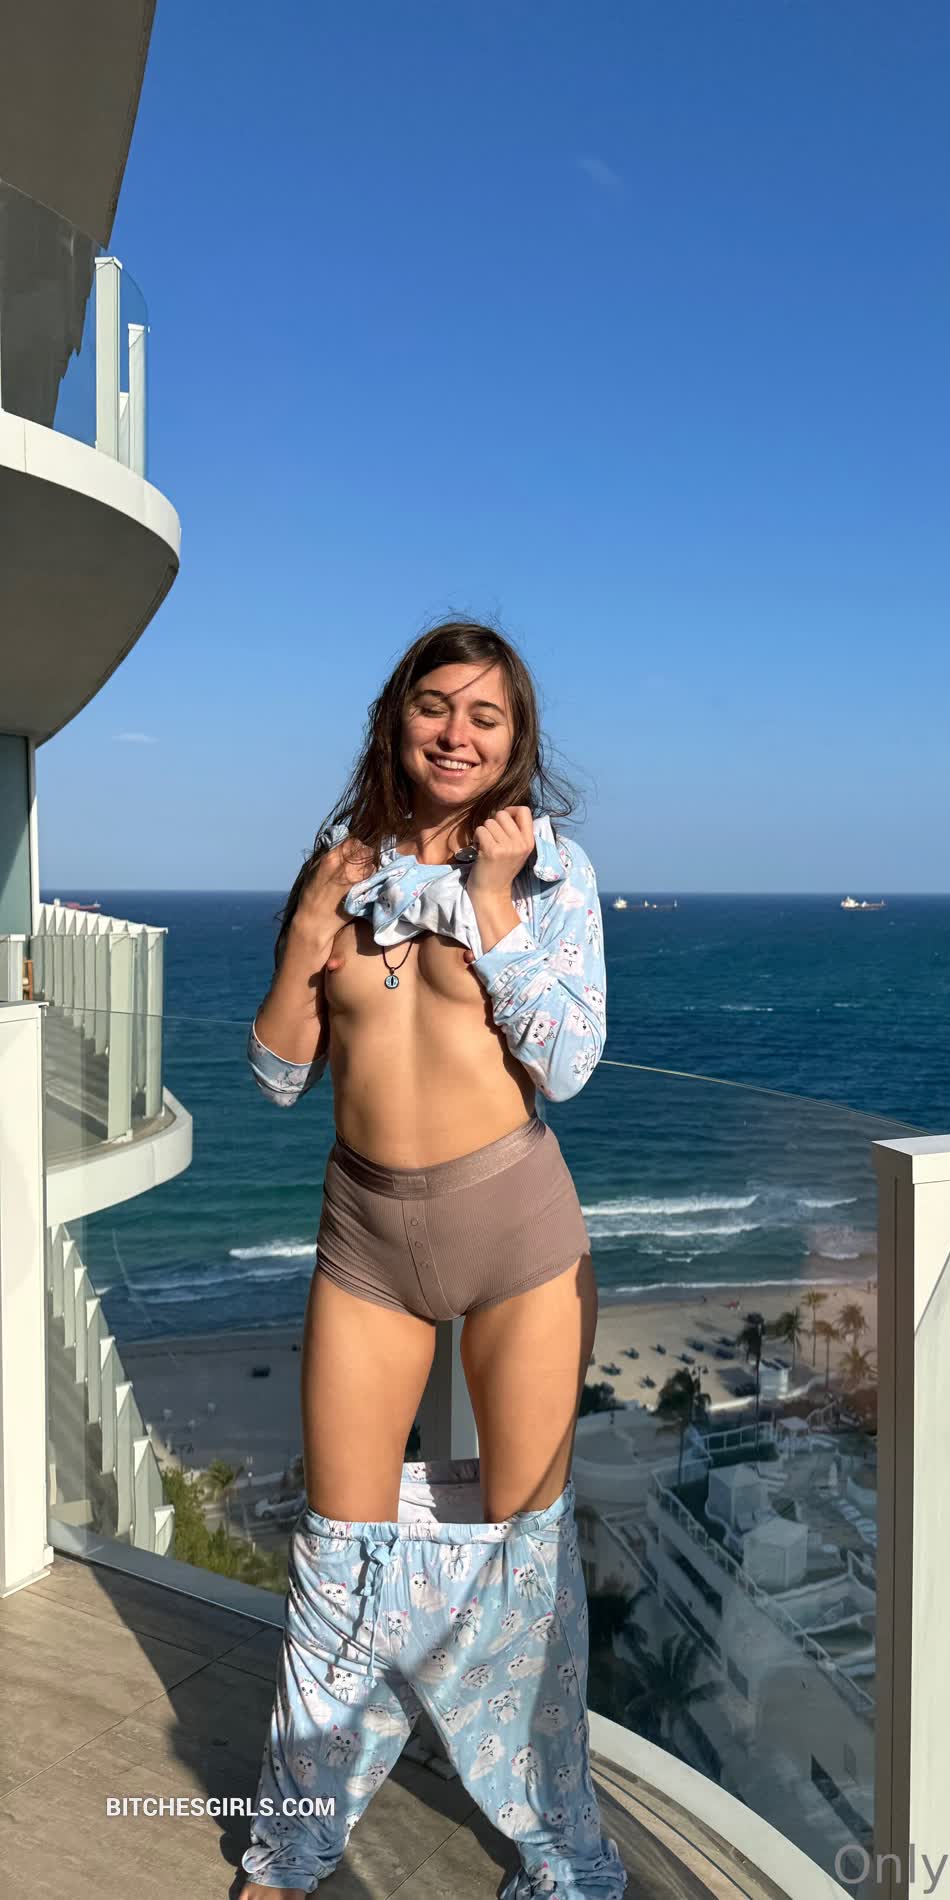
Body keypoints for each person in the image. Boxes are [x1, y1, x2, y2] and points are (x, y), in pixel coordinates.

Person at [237, 620, 624, 1898]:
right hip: (365, 1238)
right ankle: (293, 1844)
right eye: (435, 706)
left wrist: (496, 906)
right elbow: (279, 1072)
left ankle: (559, 1848)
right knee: (335, 1551)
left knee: (525, 1559)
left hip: (517, 1234)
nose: (457, 733)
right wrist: (308, 929)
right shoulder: (341, 866)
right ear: (396, 719)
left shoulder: (553, 872)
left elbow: (569, 1061)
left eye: (486, 715)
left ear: (516, 742)